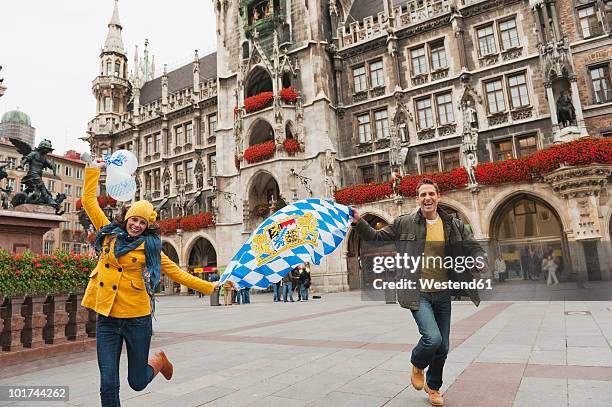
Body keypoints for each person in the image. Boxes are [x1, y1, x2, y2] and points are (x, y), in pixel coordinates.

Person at [82, 159, 219, 407]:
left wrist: (211, 286)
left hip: (137, 319)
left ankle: (159, 362)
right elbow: (90, 202)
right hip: (107, 319)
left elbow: (178, 274)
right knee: (108, 384)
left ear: (147, 226)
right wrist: (93, 169)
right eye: (134, 219)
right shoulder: (108, 232)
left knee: (137, 382)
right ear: (127, 218)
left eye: (142, 223)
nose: (136, 225)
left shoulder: (151, 247)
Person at [351, 178, 487, 407]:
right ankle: (417, 363)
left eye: (431, 194)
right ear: (418, 199)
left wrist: (478, 258)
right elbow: (376, 237)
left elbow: (472, 245)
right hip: (418, 292)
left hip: (443, 292)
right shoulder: (405, 223)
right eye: (423, 195)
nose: (427, 198)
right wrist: (358, 222)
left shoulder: (452, 224)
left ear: (438, 197)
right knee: (432, 338)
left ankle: (433, 387)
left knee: (442, 347)